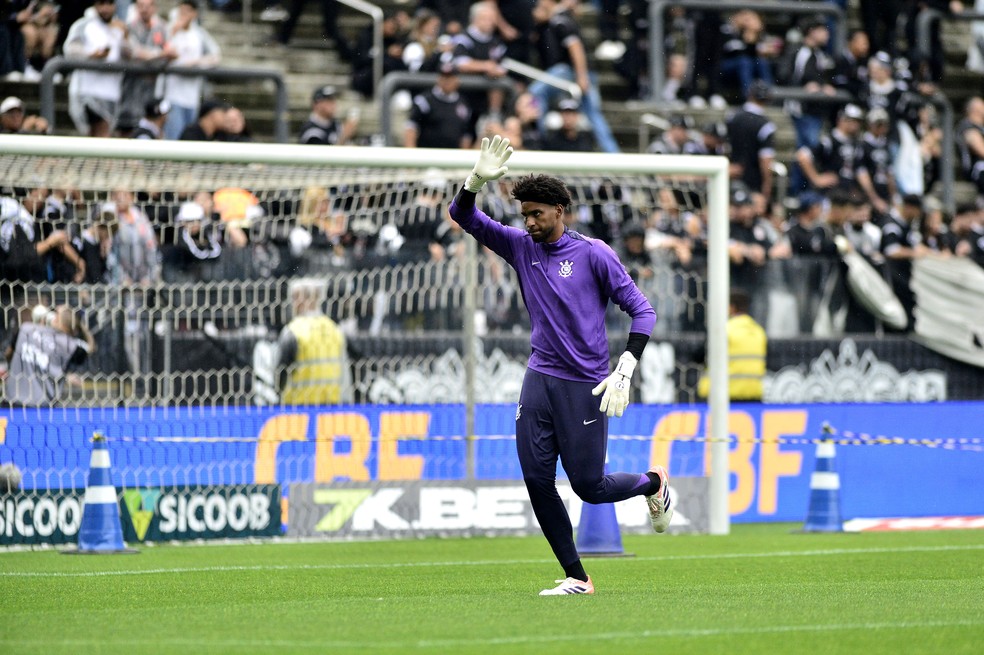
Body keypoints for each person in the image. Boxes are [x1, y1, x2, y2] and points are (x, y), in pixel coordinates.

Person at [448, 135, 672, 596]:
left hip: (586, 384)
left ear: (560, 211)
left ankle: (653, 482)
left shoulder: (594, 253)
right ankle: (577, 576)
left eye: (537, 214)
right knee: (536, 478)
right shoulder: (519, 246)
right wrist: (474, 181)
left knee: (589, 486)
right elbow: (463, 216)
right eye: (524, 214)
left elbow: (643, 310)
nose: (528, 222)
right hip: (540, 377)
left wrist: (626, 366)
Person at [277, 277, 352, 405]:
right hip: (330, 409)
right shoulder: (335, 330)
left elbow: (280, 374)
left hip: (299, 408)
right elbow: (345, 375)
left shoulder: (293, 331)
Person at [3, 304, 95, 407]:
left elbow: (8, 354)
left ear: (54, 319)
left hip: (12, 402)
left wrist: (12, 369)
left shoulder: (26, 329)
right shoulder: (69, 345)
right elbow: (91, 347)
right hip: (43, 407)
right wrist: (82, 326)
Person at [63, 0, 130, 138]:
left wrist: (125, 36)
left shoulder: (120, 27)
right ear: (95, 5)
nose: (105, 9)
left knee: (104, 134)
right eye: (101, 4)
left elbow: (129, 55)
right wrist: (91, 55)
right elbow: (70, 50)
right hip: (87, 92)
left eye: (109, 4)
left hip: (111, 92)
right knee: (96, 133)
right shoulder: (83, 25)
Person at [161, 0, 221, 141]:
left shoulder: (199, 34)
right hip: (172, 96)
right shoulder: (168, 29)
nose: (184, 15)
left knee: (189, 139)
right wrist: (173, 32)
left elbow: (216, 56)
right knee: (173, 139)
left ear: (195, 14)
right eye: (181, 11)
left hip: (192, 97)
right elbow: (160, 52)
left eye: (188, 12)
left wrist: (195, 62)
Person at [697, 288, 767, 402]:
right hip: (753, 398)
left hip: (724, 397)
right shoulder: (759, 332)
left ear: (731, 307)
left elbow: (701, 356)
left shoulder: (723, 330)